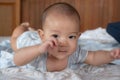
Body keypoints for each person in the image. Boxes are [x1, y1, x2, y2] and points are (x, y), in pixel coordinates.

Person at [11, 2, 120, 72]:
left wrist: (110, 55)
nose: (63, 43)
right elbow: (17, 60)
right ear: (42, 36)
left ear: (78, 37)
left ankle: (34, 30)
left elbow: (93, 57)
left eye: (71, 37)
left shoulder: (74, 53)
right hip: (29, 43)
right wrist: (38, 49)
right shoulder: (37, 51)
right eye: (55, 36)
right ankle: (23, 26)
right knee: (16, 40)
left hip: (42, 35)